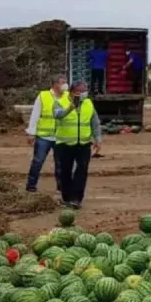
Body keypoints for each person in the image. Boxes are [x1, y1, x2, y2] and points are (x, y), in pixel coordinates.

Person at [53, 80, 102, 209]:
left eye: (85, 90)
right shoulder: (60, 101)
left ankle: (76, 199)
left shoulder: (88, 103)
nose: (83, 93)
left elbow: (95, 122)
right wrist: (70, 108)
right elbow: (57, 115)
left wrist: (98, 139)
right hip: (65, 143)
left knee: (82, 170)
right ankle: (67, 197)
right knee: (65, 171)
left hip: (84, 143)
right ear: (72, 91)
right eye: (80, 91)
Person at [24, 75, 69, 193]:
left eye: (65, 82)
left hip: (61, 136)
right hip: (44, 136)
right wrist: (31, 132)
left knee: (61, 163)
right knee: (38, 161)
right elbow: (35, 115)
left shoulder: (68, 96)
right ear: (55, 84)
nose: (65, 85)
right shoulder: (43, 96)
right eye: (62, 82)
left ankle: (62, 187)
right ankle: (31, 186)